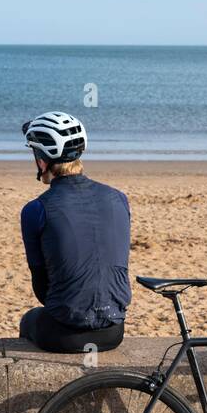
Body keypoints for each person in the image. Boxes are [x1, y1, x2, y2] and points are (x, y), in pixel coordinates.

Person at [18, 112, 131, 354]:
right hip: (113, 331)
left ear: (41, 160)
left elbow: (42, 288)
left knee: (29, 320)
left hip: (65, 334)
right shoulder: (119, 199)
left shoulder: (35, 210)